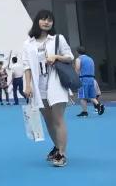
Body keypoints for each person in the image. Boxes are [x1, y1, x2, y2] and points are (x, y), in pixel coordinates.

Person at [23, 9, 73, 167]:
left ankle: (62, 154)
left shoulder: (58, 39)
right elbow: (26, 66)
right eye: (44, 19)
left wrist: (56, 57)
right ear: (37, 21)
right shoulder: (28, 43)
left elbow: (70, 57)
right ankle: (57, 147)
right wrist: (28, 85)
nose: (46, 22)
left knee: (58, 119)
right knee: (49, 120)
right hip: (39, 86)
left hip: (56, 83)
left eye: (50, 20)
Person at [75, 47, 105, 117]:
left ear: (77, 52)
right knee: (91, 96)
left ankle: (85, 112)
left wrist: (76, 78)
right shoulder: (90, 59)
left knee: (82, 97)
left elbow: (77, 69)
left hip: (83, 79)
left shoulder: (78, 59)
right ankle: (99, 105)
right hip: (91, 79)